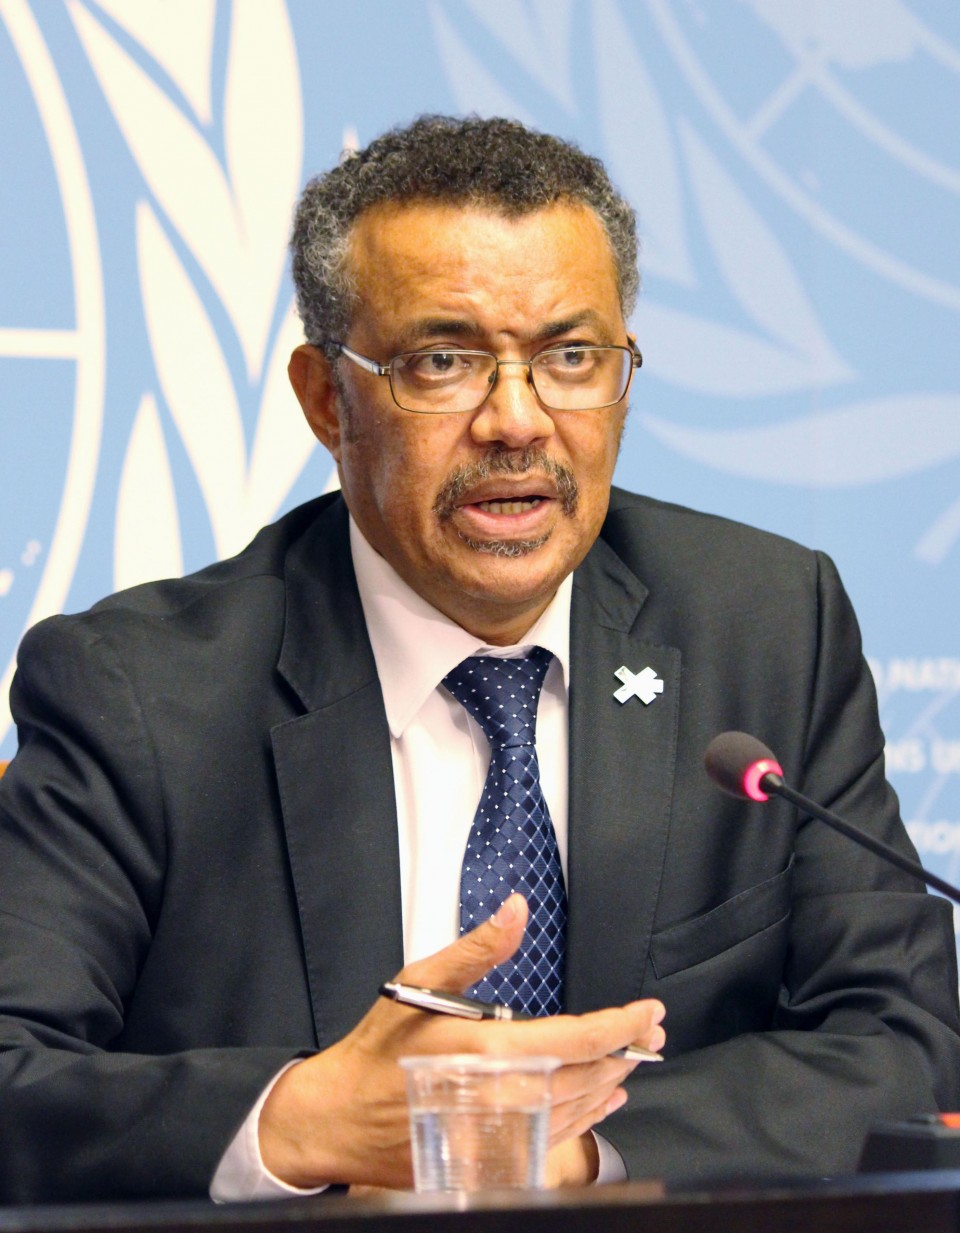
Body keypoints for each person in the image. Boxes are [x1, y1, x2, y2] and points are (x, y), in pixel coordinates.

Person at [0, 115, 958, 1206]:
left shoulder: (768, 628)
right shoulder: (140, 690)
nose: (517, 421)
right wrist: (295, 1121)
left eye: (570, 357)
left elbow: (902, 1040)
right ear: (325, 398)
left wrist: (552, 1146)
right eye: (443, 362)